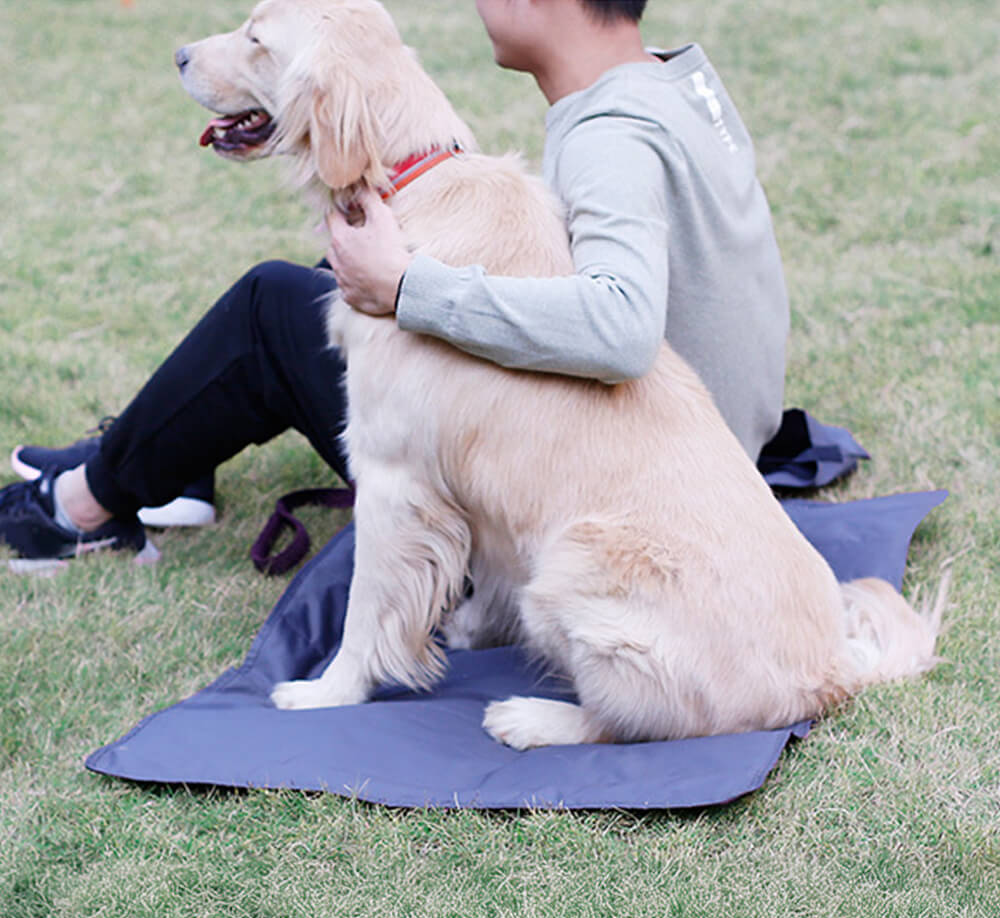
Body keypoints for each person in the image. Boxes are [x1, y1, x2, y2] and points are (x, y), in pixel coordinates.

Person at [0, 0, 788, 567]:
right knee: (334, 277)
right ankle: (162, 453)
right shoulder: (665, 85)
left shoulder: (609, 138)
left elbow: (619, 328)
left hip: (616, 484)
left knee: (273, 309)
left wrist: (410, 286)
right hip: (680, 447)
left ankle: (88, 505)